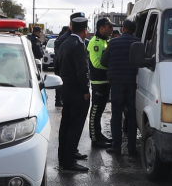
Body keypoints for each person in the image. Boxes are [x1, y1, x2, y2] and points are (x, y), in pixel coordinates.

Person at [55, 17, 91, 172]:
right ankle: (69, 161)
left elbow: (57, 66)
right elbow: (82, 70)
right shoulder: (78, 45)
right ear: (84, 30)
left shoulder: (64, 43)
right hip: (77, 92)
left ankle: (63, 157)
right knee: (75, 127)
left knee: (66, 125)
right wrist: (85, 90)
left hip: (66, 89)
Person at [101, 19, 140, 156]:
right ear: (133, 30)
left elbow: (103, 61)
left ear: (123, 28)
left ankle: (116, 147)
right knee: (132, 115)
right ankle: (131, 148)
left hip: (116, 83)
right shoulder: (138, 43)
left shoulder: (113, 43)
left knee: (116, 115)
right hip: (133, 83)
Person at [87, 17, 115, 148]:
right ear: (101, 28)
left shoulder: (106, 41)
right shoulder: (96, 42)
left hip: (106, 80)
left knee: (101, 110)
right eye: (109, 27)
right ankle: (94, 138)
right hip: (98, 81)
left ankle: (99, 134)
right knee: (96, 110)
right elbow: (97, 63)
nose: (112, 29)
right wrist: (113, 68)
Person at [54, 13, 85, 107]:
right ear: (71, 24)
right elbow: (59, 62)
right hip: (68, 83)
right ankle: (58, 100)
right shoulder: (64, 39)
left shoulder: (79, 38)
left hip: (75, 84)